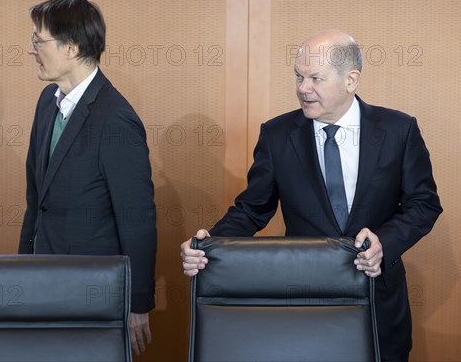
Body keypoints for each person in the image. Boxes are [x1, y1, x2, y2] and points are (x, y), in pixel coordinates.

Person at [180, 29, 442, 362]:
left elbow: (423, 205)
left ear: (351, 80)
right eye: (298, 77)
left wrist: (383, 243)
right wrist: (209, 244)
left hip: (379, 298)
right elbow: (252, 209)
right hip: (305, 299)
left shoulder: (398, 130)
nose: (303, 89)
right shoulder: (276, 135)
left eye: (315, 78)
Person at [18, 0, 156, 355]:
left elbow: (137, 217)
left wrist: (137, 303)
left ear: (72, 47)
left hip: (93, 291)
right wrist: (20, 271)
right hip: (42, 280)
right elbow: (36, 202)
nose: (31, 49)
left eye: (38, 39)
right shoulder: (48, 100)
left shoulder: (115, 118)